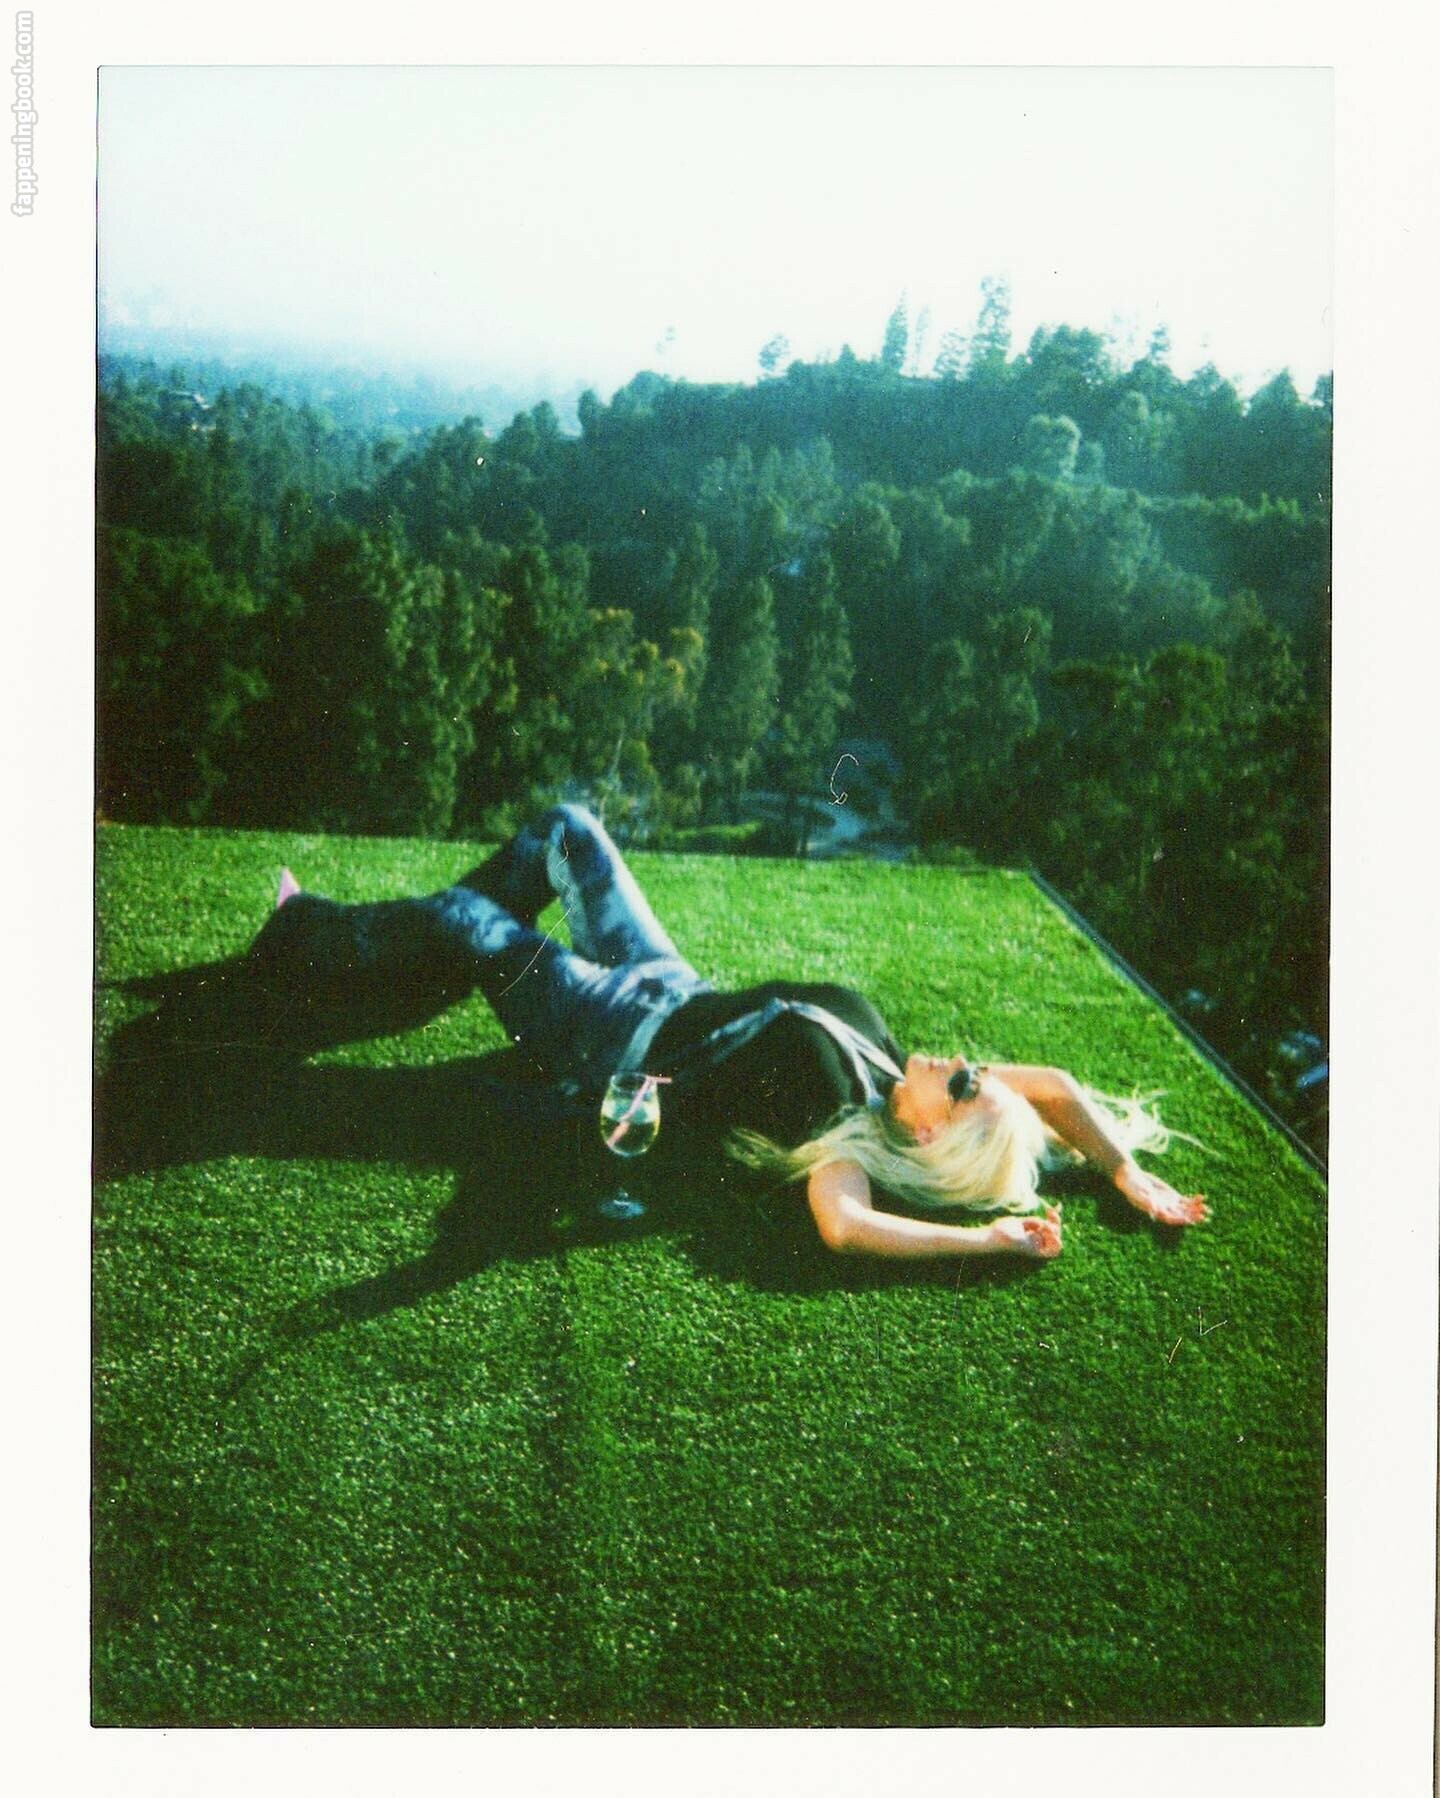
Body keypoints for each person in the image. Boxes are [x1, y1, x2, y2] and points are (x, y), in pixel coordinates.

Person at [242, 803, 1209, 1264]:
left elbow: (845, 1226)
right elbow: (1053, 1085)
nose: (963, 1064)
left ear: (926, 1134)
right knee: (566, 830)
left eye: (963, 1087)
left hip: (597, 1030)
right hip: (667, 978)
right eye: (975, 1070)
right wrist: (1123, 1170)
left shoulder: (840, 1132)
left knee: (465, 920)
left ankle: (303, 939)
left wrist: (988, 1241)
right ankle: (398, 973)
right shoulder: (891, 1066)